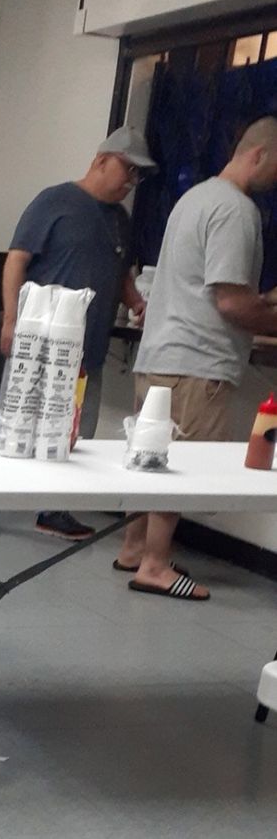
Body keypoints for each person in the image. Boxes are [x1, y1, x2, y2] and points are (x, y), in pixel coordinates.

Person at [115, 116, 277, 601]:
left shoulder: (195, 199)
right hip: (197, 364)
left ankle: (133, 547)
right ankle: (156, 566)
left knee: (150, 456)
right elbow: (230, 302)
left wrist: (262, 301)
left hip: (160, 355)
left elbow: (210, 288)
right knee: (180, 465)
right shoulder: (236, 211)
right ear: (260, 155)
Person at [0, 127, 154, 540]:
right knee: (13, 420)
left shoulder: (120, 220)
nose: (130, 181)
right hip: (38, 341)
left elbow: (121, 272)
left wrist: (136, 302)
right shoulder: (54, 201)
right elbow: (16, 260)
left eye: (138, 176)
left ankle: (53, 509)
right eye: (127, 170)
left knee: (75, 429)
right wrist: (10, 320)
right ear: (100, 160)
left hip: (86, 351)